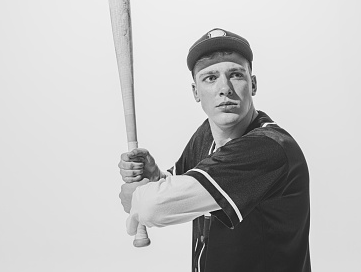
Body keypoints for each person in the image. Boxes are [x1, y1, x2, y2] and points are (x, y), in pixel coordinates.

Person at [118, 28, 311, 272]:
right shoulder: (207, 134)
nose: (225, 88)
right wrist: (155, 177)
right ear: (195, 92)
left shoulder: (269, 148)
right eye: (210, 78)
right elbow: (185, 190)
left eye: (236, 74)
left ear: (253, 84)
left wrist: (138, 196)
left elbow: (153, 207)